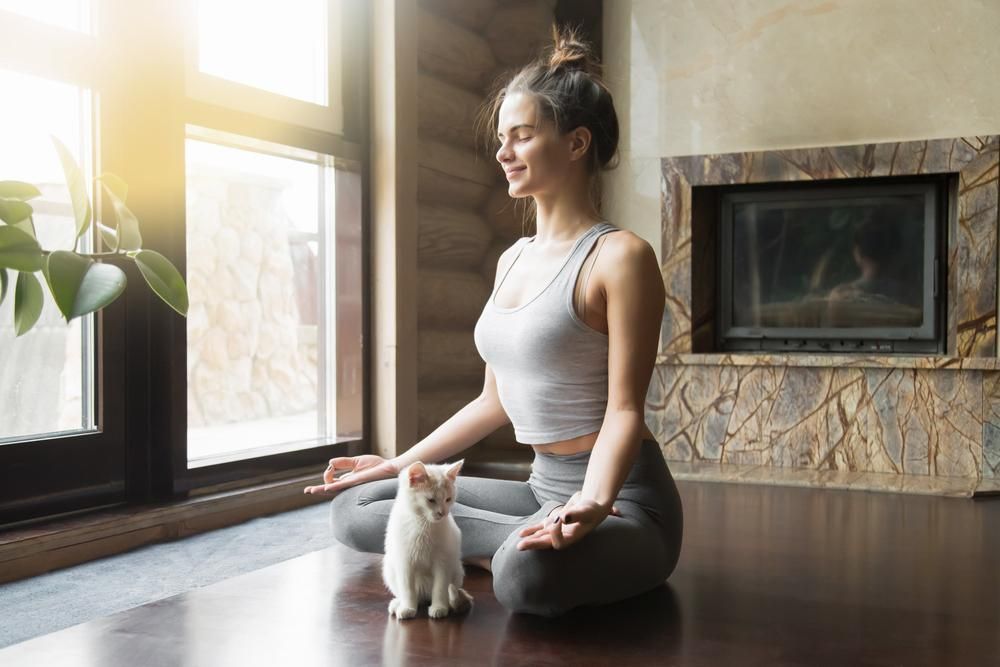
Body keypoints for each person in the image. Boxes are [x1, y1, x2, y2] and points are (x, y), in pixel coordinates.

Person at [303, 27, 683, 618]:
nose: (503, 152)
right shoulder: (513, 259)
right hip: (539, 488)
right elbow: (493, 402)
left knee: (523, 576)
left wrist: (594, 500)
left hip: (624, 501)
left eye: (523, 137)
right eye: (502, 138)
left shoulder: (620, 258)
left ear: (577, 142)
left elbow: (625, 409)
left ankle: (506, 552)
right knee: (360, 505)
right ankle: (505, 545)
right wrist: (401, 463)